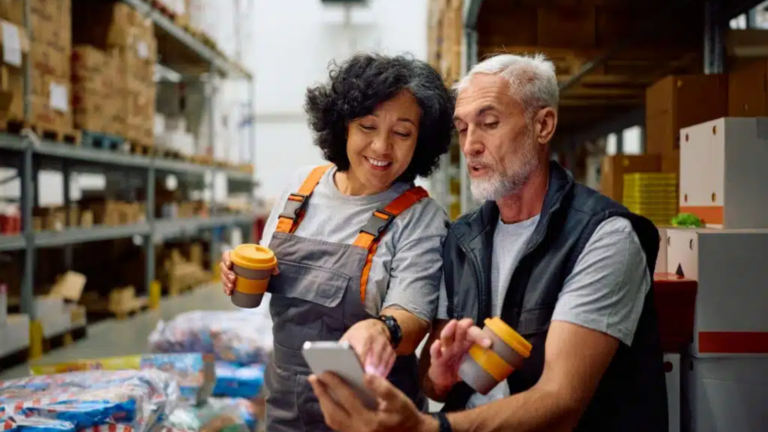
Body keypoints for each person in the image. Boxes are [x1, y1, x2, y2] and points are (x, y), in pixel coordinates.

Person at [308, 53, 668, 432]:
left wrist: (428, 428)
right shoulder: (462, 239)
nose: (470, 146)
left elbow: (561, 403)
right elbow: (433, 381)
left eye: (489, 123)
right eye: (462, 130)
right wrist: (445, 375)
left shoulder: (603, 236)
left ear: (543, 125)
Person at [220, 53, 454, 432]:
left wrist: (383, 329)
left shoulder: (421, 217)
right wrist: (237, 270)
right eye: (367, 125)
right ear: (342, 125)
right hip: (285, 408)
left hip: (372, 414)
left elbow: (413, 319)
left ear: (421, 141)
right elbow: (264, 265)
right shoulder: (302, 186)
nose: (381, 146)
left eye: (402, 132)